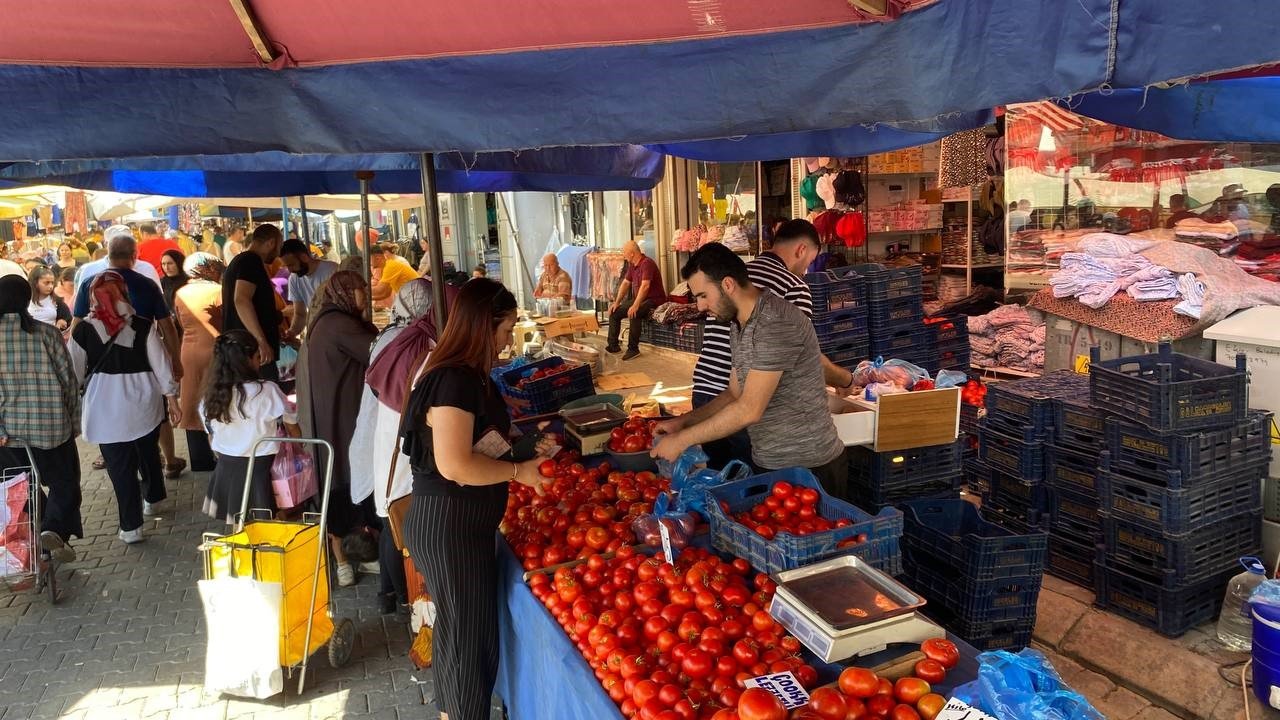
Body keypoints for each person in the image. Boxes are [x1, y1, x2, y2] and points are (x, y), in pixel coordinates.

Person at [400, 278, 552, 720]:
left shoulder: (465, 375)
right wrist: (516, 471)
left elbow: (477, 444)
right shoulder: (453, 380)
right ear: (485, 326)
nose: (508, 340)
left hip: (458, 523)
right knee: (470, 642)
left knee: (459, 634)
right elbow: (454, 464)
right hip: (450, 524)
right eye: (506, 330)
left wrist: (525, 450)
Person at [651, 243, 847, 497]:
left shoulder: (774, 322)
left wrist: (682, 440)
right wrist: (683, 423)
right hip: (771, 462)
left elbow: (749, 409)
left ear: (728, 285)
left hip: (810, 467)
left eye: (702, 295)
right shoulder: (739, 324)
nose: (699, 307)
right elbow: (734, 393)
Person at [690, 220, 860, 469]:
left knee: (726, 485)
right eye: (811, 260)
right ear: (802, 250)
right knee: (745, 485)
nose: (806, 268)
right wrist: (845, 379)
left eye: (702, 297)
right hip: (740, 403)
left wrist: (684, 427)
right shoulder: (792, 287)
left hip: (705, 389)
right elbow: (809, 357)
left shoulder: (742, 273)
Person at [69, 272, 181, 544]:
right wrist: (172, 396)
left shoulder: (82, 330)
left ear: (94, 296)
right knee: (147, 451)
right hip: (144, 399)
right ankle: (153, 496)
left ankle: (131, 527)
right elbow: (161, 363)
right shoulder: (143, 325)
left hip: (104, 406)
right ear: (123, 293)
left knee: (119, 467)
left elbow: (74, 372)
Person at [350, 279, 440, 613]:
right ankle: (402, 596)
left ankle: (389, 594)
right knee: (396, 514)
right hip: (396, 434)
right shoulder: (412, 341)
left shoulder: (390, 336)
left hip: (387, 430)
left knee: (391, 512)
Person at [303, 270, 379, 586]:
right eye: (361, 289)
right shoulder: (339, 324)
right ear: (347, 292)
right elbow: (376, 350)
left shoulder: (327, 318)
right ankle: (359, 553)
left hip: (333, 410)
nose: (366, 294)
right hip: (344, 413)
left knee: (341, 476)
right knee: (348, 477)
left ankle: (350, 556)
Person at [0, 275, 82, 564]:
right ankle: (53, 530)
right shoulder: (46, 334)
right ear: (26, 299)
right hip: (51, 427)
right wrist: (74, 422)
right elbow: (69, 381)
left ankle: (43, 536)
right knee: (66, 484)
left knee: (20, 490)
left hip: (7, 435)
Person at [200, 330, 296, 524]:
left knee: (238, 521)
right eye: (258, 356)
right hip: (262, 468)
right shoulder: (267, 390)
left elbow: (211, 435)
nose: (260, 361)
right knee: (269, 520)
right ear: (249, 360)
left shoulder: (210, 396)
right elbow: (292, 423)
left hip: (226, 467)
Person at [174, 253, 226, 472]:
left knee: (191, 400)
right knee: (218, 396)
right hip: (215, 349)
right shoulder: (217, 291)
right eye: (215, 267)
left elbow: (178, 320)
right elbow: (225, 320)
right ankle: (223, 451)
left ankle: (199, 459)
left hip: (188, 350)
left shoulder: (181, 293)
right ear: (207, 269)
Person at [222, 224, 283, 382]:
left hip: (245, 349)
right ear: (271, 243)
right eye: (279, 246)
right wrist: (261, 341)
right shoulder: (250, 261)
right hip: (252, 352)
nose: (278, 254)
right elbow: (241, 300)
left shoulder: (241, 261)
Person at [607, 240, 666, 361]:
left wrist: (635, 305)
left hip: (654, 300)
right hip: (640, 298)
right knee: (614, 312)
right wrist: (617, 302)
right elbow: (625, 284)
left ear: (632, 253)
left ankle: (633, 349)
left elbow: (645, 286)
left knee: (634, 312)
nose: (624, 255)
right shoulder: (632, 266)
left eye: (625, 253)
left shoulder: (647, 263)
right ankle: (613, 345)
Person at [279, 239, 337, 340]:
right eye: (286, 266)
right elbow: (300, 314)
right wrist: (291, 332)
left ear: (304, 257)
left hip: (337, 329)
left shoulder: (332, 270)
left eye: (291, 265)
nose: (290, 270)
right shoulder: (294, 279)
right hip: (318, 332)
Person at [27, 266, 71, 332]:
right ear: (35, 283)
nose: (50, 286)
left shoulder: (57, 302)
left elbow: (68, 320)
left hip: (51, 338)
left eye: (52, 283)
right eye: (46, 283)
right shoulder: (24, 301)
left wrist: (62, 322)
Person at [158, 249, 188, 316]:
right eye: (163, 264)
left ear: (179, 263)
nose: (166, 268)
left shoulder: (189, 282)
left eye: (170, 263)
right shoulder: (162, 282)